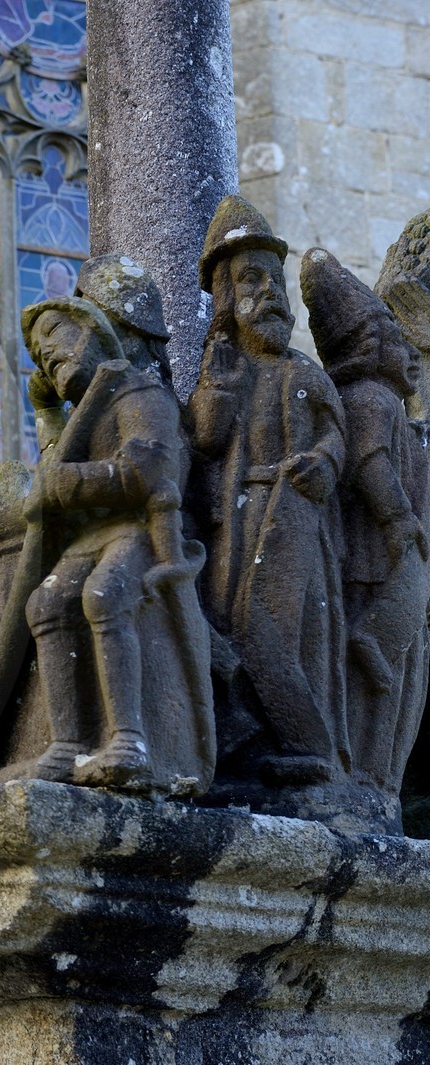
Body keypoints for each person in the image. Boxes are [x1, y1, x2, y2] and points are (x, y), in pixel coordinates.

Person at [0, 296, 213, 794]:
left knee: (104, 595)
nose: (46, 353)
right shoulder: (85, 411)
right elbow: (55, 463)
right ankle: (68, 743)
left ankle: (128, 738)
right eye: (37, 355)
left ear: (92, 332)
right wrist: (48, 415)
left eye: (55, 333)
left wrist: (67, 486)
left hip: (136, 530)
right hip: (90, 535)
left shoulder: (137, 393)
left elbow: (149, 471)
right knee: (46, 604)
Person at [187, 195, 348, 787]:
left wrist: (324, 462)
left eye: (274, 280)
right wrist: (219, 387)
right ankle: (259, 741)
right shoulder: (225, 369)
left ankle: (309, 743)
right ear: (227, 298)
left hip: (298, 514)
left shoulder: (306, 373)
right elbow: (206, 439)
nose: (270, 293)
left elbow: (336, 434)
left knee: (286, 630)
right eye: (251, 280)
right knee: (232, 625)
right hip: (238, 523)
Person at [304, 246, 430, 804]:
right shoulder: (373, 399)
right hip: (376, 564)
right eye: (401, 342)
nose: (412, 355)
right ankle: (371, 779)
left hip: (378, 562)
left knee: (393, 670)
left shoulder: (380, 402)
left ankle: (377, 778)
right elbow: (371, 463)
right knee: (382, 676)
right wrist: (400, 520)